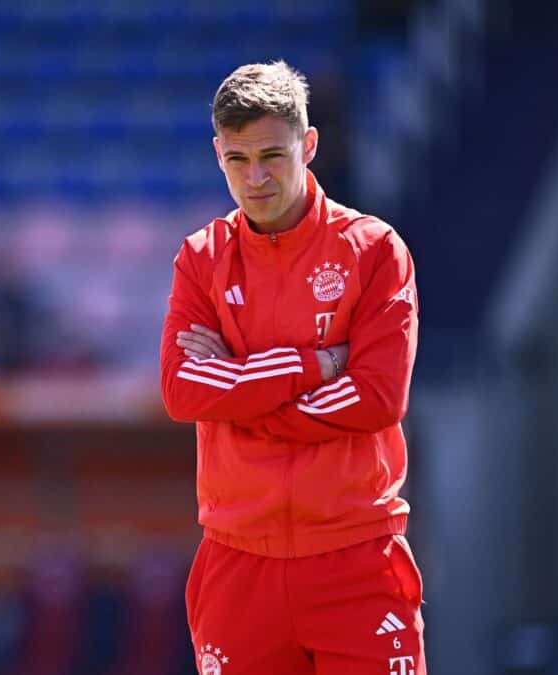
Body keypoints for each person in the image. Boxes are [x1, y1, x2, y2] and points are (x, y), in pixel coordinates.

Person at [161, 61, 425, 675]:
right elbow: (180, 391)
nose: (256, 178)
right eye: (237, 160)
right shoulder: (201, 258)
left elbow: (379, 398)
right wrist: (318, 364)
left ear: (308, 145)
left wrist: (242, 394)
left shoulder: (375, 250)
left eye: (273, 156)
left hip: (356, 557)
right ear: (217, 154)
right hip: (238, 563)